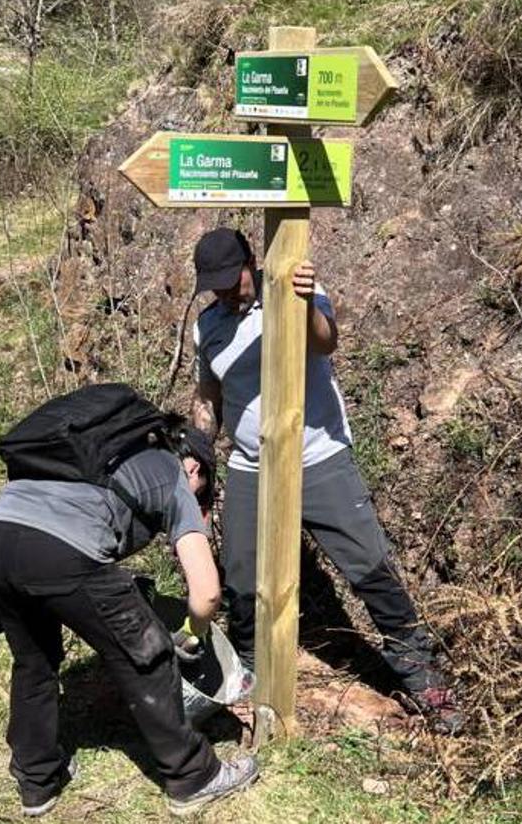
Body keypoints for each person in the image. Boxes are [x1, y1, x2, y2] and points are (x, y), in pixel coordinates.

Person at [189, 227, 464, 734]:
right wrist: (197, 451)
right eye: (216, 285)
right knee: (242, 584)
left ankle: (425, 679)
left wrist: (303, 301)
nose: (227, 291)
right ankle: (250, 672)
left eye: (234, 279)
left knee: (370, 569)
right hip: (251, 466)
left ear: (253, 259)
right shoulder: (209, 326)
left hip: (319, 458)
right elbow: (210, 396)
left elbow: (325, 341)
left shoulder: (295, 289)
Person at [0, 420, 258, 818]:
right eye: (204, 488)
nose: (198, 498)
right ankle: (195, 778)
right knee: (149, 654)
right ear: (194, 467)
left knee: (34, 661)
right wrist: (189, 634)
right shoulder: (172, 474)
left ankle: (37, 781)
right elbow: (208, 592)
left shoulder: (105, 455)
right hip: (59, 549)